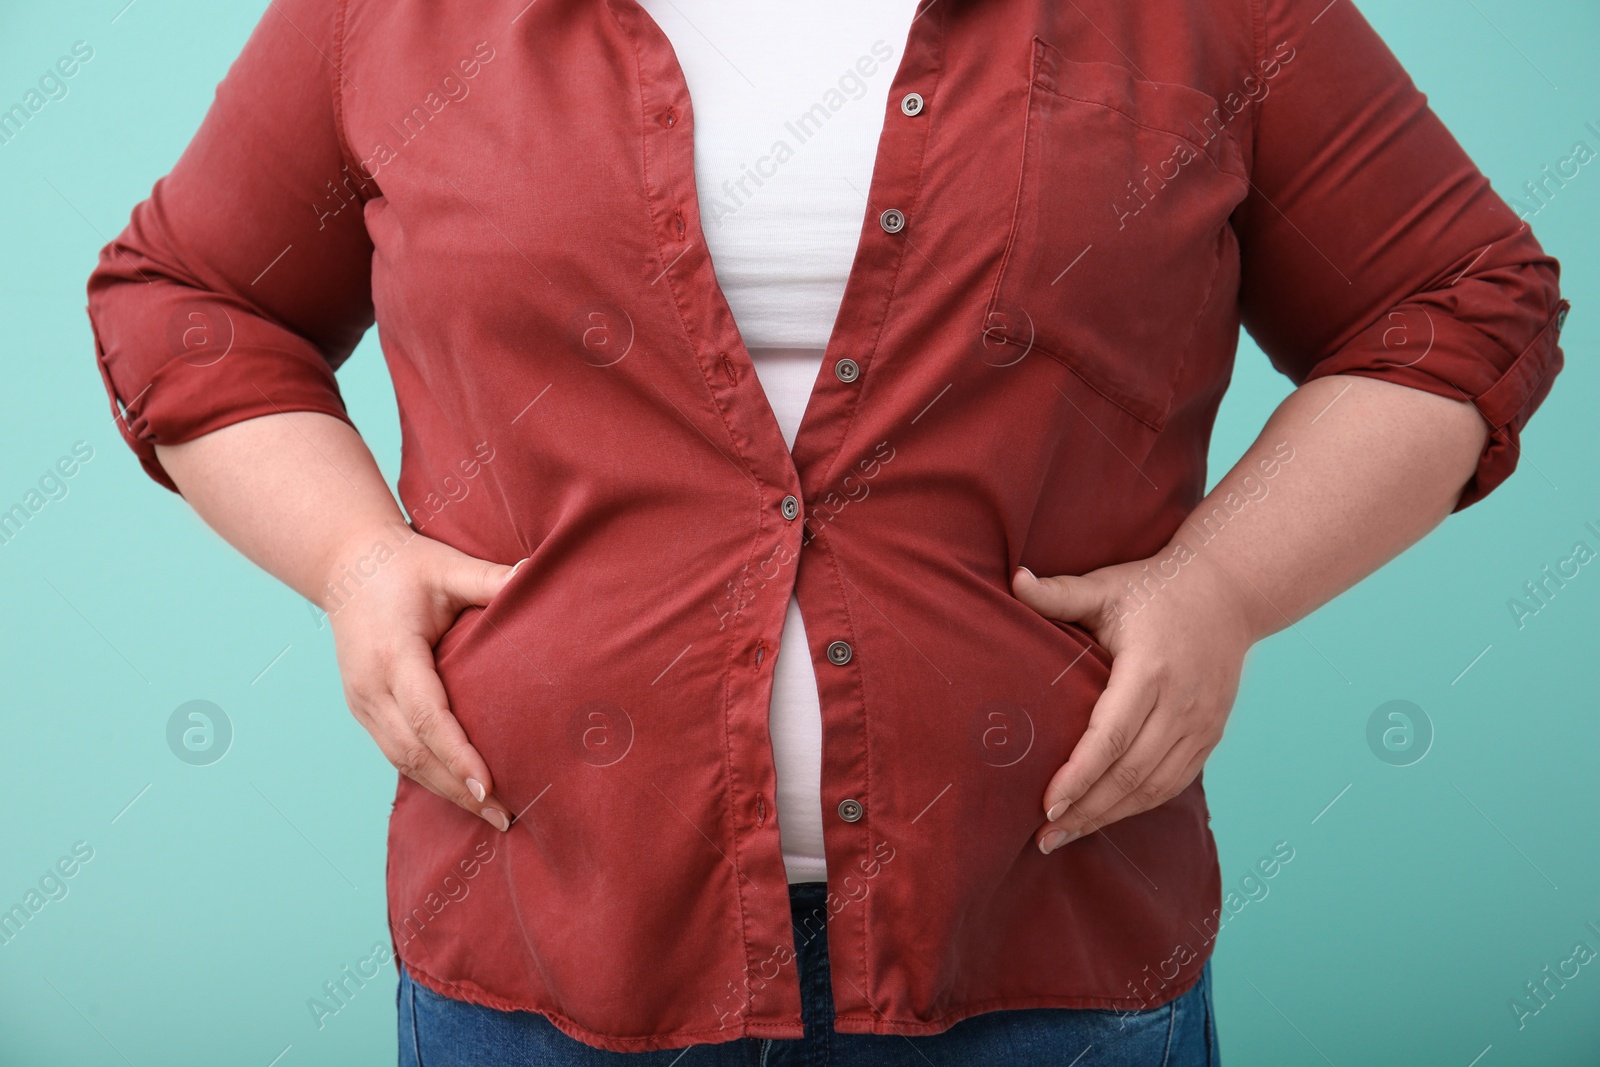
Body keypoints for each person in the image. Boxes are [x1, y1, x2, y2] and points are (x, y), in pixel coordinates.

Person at [85, 0, 1568, 1062]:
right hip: (544, 947)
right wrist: (351, 559)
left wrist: (1227, 585)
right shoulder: (389, 16)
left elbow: (1458, 300)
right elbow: (193, 297)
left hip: (1042, 947)